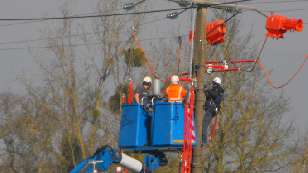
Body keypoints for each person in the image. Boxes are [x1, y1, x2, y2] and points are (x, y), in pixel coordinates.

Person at [202, 77, 224, 144]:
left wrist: (207, 90)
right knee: (210, 125)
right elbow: (209, 96)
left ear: (215, 83)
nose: (212, 84)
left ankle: (204, 141)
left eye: (213, 83)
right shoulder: (218, 90)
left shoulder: (218, 89)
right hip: (213, 109)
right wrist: (205, 90)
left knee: (204, 125)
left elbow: (214, 95)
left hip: (211, 109)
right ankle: (206, 139)